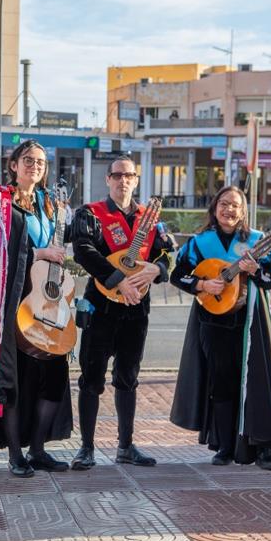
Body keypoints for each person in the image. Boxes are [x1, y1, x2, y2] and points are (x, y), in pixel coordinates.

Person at [169, 186, 271, 467]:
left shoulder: (258, 241)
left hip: (251, 323)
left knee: (257, 382)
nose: (229, 210)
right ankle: (224, 446)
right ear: (214, 208)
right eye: (224, 204)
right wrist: (202, 284)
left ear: (244, 211)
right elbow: (178, 276)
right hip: (212, 322)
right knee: (221, 383)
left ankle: (260, 447)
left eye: (235, 205)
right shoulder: (200, 243)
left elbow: (269, 282)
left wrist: (255, 271)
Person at [0, 140, 74, 477]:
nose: (35, 165)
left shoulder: (51, 204)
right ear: (13, 165)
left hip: (50, 301)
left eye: (41, 162)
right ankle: (16, 453)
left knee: (52, 377)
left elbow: (61, 246)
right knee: (15, 380)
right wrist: (39, 254)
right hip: (14, 302)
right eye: (28, 160)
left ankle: (38, 448)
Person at [70, 157, 176, 469]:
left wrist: (157, 268)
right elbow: (83, 250)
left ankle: (126, 446)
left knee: (128, 377)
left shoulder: (150, 217)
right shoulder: (90, 213)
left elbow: (168, 251)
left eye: (129, 175)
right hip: (101, 305)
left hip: (137, 308)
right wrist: (118, 281)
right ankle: (86, 448)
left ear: (136, 179)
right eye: (117, 175)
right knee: (91, 378)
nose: (123, 181)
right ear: (108, 180)